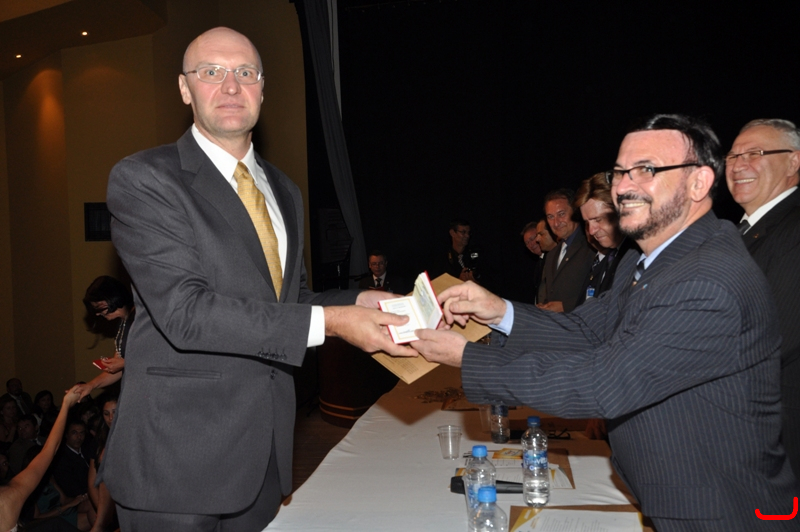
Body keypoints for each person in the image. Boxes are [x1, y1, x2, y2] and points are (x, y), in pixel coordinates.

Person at [413, 114, 798, 531]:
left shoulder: (708, 278)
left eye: (645, 170)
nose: (623, 186)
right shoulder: (645, 260)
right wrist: (499, 311)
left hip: (727, 513)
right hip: (679, 500)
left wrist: (468, 358)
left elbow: (605, 383)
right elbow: (587, 331)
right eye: (619, 171)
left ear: (698, 183)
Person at [101, 26, 412, 531]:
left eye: (245, 72)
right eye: (212, 72)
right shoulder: (145, 178)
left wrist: (359, 301)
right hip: (175, 461)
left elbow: (292, 300)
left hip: (265, 451)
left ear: (263, 89)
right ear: (185, 89)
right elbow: (186, 313)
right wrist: (335, 322)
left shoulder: (284, 190)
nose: (231, 86)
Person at [726, 118, 800, 476]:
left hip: (778, 439)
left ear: (794, 161)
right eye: (733, 156)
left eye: (755, 153)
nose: (739, 165)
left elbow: (774, 337)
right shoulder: (739, 232)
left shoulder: (794, 228)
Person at [0, 386, 82, 532]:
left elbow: (48, 451)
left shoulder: (8, 496)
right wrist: (66, 405)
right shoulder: (7, 497)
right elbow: (49, 451)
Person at [574, 172, 634, 305]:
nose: (591, 231)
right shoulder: (609, 257)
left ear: (620, 211)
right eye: (587, 223)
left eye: (598, 219)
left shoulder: (636, 257)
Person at [74, 276, 135, 401]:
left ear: (112, 298)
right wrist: (90, 385)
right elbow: (116, 370)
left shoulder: (141, 319)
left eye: (99, 306)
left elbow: (160, 356)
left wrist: (125, 363)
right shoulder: (123, 323)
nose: (97, 313)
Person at [536, 189, 594, 312]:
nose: (556, 223)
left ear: (575, 212)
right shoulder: (551, 255)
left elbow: (603, 293)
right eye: (550, 217)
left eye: (561, 214)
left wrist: (566, 306)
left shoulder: (592, 246)